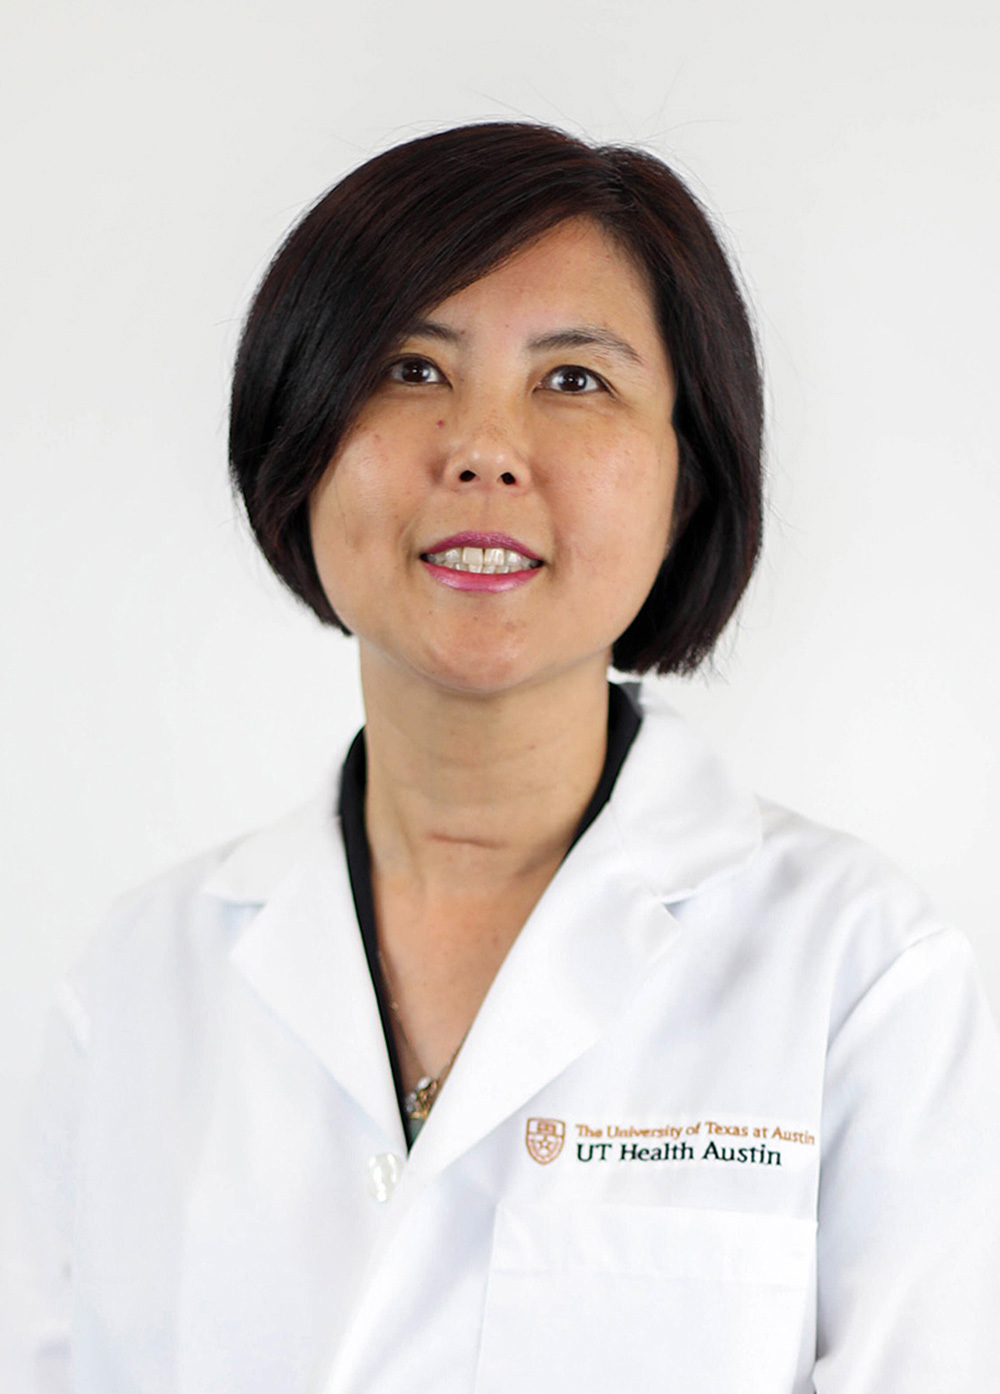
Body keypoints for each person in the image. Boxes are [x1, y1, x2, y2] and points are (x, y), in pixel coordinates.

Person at [5, 121, 1000, 1392]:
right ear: (301, 442)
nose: (482, 445)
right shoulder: (138, 988)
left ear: (684, 482)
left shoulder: (863, 979)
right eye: (410, 369)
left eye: (573, 380)